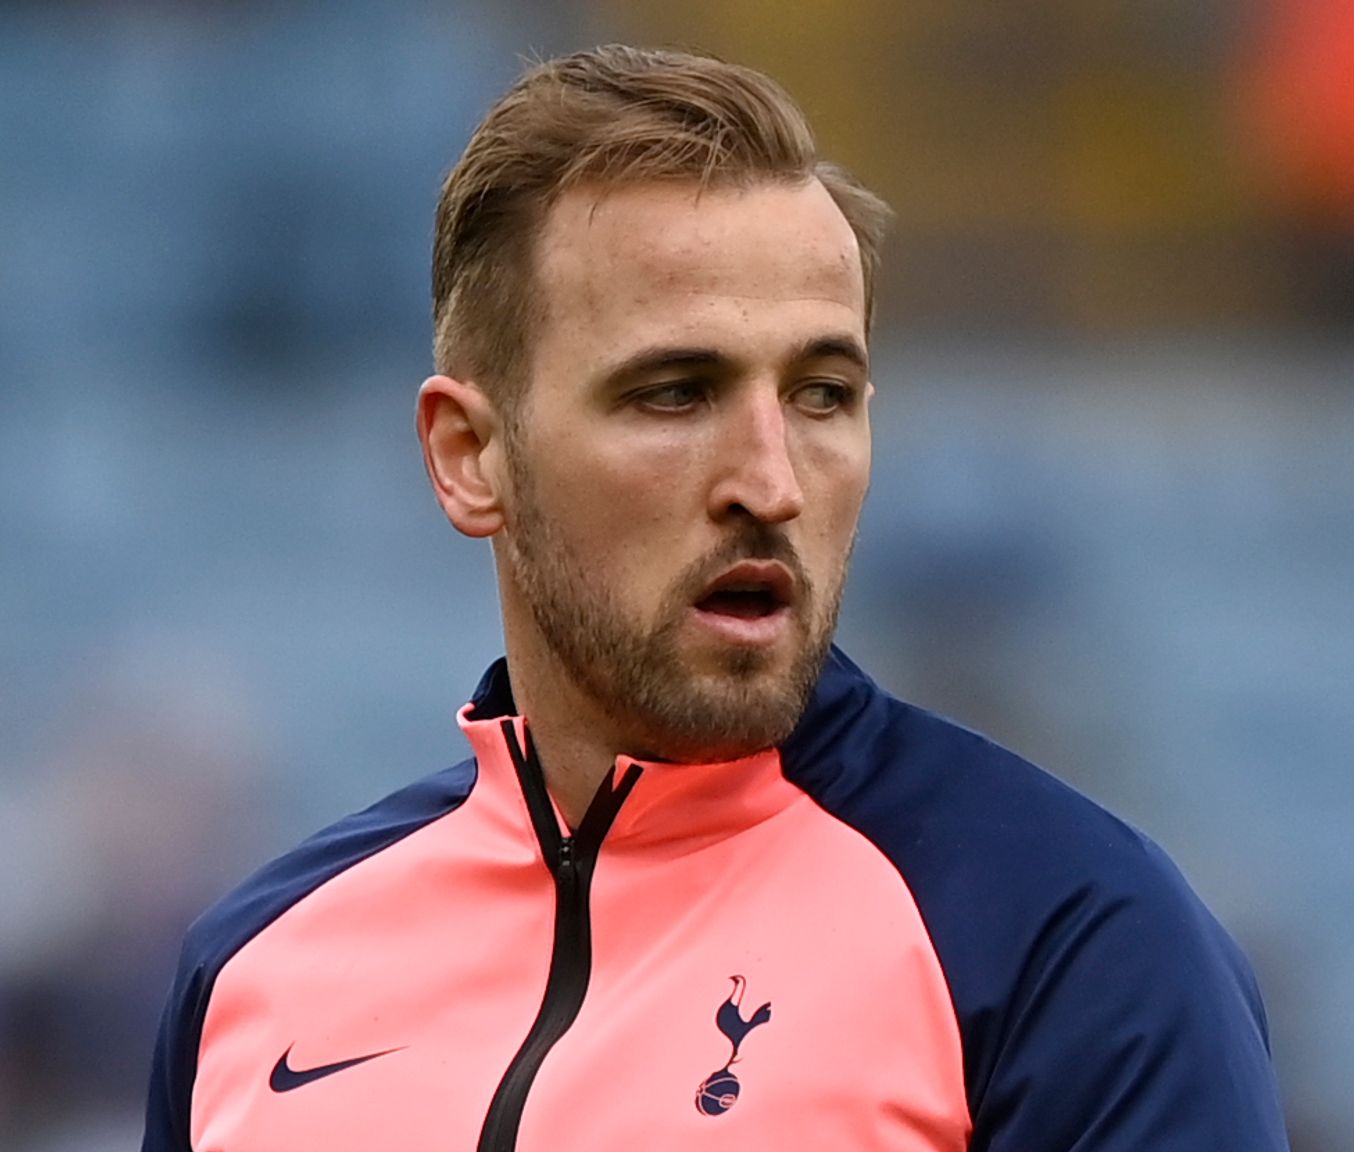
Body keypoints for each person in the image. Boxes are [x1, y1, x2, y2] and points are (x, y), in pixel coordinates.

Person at [142, 44, 1289, 1152]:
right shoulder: (255, 971)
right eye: (675, 393)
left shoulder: (1065, 941)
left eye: (822, 393)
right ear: (468, 456)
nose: (771, 482)